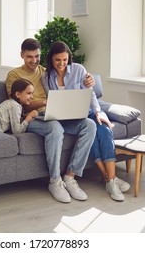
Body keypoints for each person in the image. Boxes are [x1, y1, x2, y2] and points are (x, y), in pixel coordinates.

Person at [5, 38, 96, 203]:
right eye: (29, 57)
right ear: (22, 55)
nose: (34, 60)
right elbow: (17, 103)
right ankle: (55, 181)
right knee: (55, 128)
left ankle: (70, 176)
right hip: (31, 117)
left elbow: (66, 80)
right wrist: (45, 102)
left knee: (89, 125)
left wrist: (89, 80)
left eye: (37, 56)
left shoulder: (45, 72)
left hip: (53, 114)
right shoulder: (14, 75)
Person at [42, 41, 130, 201]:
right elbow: (52, 101)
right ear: (51, 59)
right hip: (63, 119)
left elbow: (91, 94)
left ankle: (106, 179)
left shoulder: (79, 70)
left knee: (100, 128)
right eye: (57, 60)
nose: (62, 64)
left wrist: (98, 111)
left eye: (65, 60)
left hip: (84, 113)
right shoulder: (46, 77)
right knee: (91, 129)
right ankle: (110, 179)